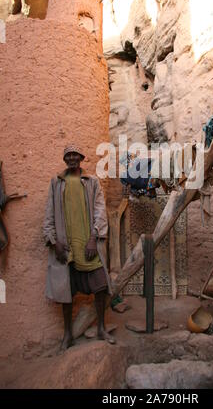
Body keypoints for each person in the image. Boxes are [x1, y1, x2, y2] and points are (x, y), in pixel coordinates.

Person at [43, 144, 115, 351]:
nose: (72, 158)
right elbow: (49, 214)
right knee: (67, 292)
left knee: (100, 287)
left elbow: (100, 211)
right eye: (68, 155)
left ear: (81, 157)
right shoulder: (56, 183)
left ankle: (101, 328)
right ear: (65, 159)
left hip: (88, 245)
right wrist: (54, 242)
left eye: (75, 154)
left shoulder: (92, 182)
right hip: (66, 248)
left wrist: (94, 237)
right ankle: (68, 336)